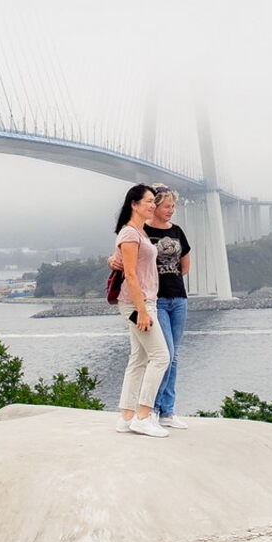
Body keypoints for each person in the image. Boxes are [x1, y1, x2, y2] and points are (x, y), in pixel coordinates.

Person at [113, 183, 171, 437]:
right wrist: (142, 311)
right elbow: (131, 274)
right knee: (161, 357)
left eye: (153, 201)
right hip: (138, 303)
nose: (152, 205)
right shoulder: (130, 233)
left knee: (138, 359)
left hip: (144, 302)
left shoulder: (138, 232)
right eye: (148, 201)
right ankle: (143, 416)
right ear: (134, 205)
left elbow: (121, 262)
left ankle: (126, 417)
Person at [145, 185, 192, 429]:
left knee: (174, 357)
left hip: (179, 298)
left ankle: (167, 411)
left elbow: (185, 264)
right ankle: (152, 408)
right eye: (167, 206)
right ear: (154, 206)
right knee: (165, 355)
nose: (171, 210)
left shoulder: (177, 231)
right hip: (157, 300)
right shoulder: (142, 230)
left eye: (173, 206)